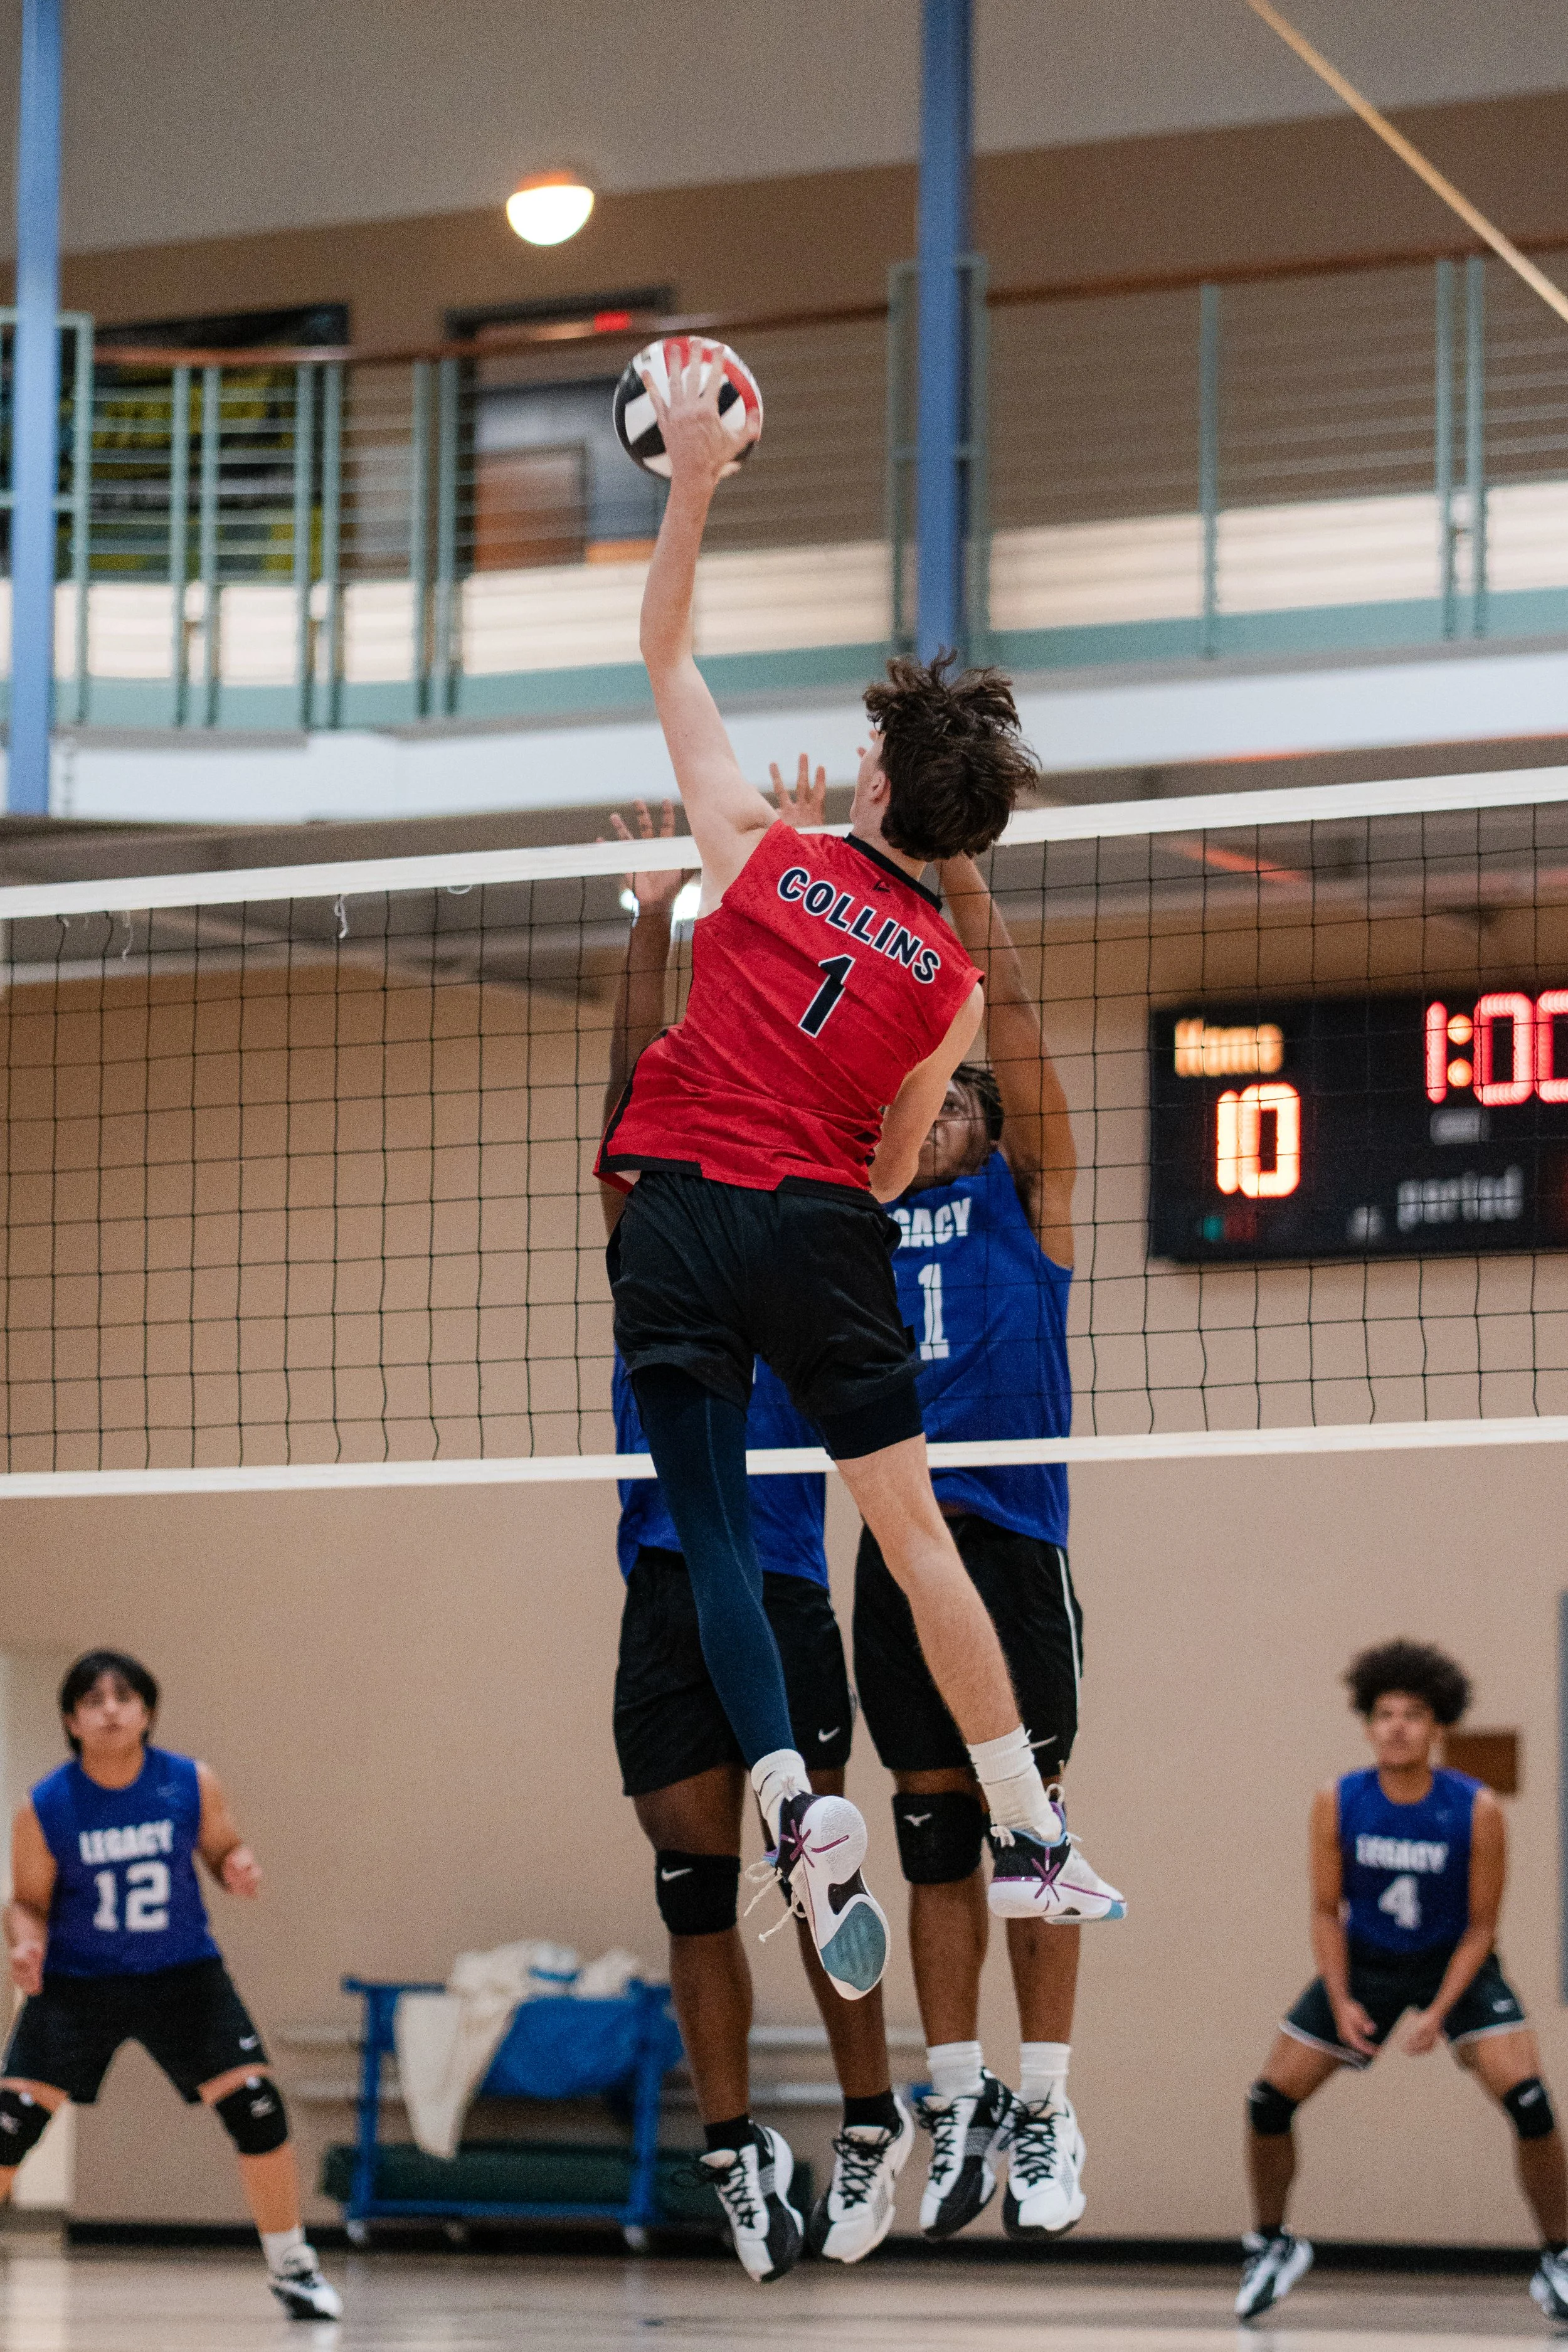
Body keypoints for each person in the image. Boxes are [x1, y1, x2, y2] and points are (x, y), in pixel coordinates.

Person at [595, 339, 1074, 2009]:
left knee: (713, 1527)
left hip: (671, 1212)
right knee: (911, 1527)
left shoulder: (768, 851)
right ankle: (1027, 1818)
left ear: (871, 775)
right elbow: (884, 1156)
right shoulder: (945, 978)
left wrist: (700, 484)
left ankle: (795, 1804)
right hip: (813, 1224)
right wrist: (831, 1213)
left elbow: (660, 650)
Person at [602, 790, 912, 2284]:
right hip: (662, 1592)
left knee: (818, 1876)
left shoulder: (794, 1233)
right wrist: (658, 916)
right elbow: (624, 1118)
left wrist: (774, 889)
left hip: (782, 1587)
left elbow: (818, 1065)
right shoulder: (656, 1230)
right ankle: (735, 2153)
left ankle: (869, 2115)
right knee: (687, 1887)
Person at [853, 853, 1121, 2249]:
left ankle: (1045, 2101)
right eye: (927, 1093)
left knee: (1034, 1830)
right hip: (897, 1560)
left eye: (962, 1091)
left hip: (1010, 1550)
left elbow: (1006, 1015)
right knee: (927, 1834)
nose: (945, 1103)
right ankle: (951, 2099)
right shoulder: (860, 1223)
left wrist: (956, 880)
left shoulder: (1030, 1203)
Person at [0, 1650, 341, 2323]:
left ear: (147, 1711)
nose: (109, 1710)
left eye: (123, 1697)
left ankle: (292, 2265)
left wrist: (235, 1864)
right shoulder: (45, 1806)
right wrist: (26, 1940)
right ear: (71, 1719)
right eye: (92, 1700)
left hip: (183, 1977)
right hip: (79, 1983)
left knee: (256, 2104)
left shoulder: (190, 1782)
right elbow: (28, 1900)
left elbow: (221, 1847)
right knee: (8, 2125)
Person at [1237, 1639, 1568, 2325]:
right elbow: (1326, 1910)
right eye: (1383, 1713)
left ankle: (1559, 2255)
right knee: (1268, 2101)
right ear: (1366, 1723)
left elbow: (1481, 1927)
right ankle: (1270, 2244)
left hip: (1455, 1961)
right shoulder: (1339, 1799)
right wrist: (1341, 2000)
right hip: (1365, 1963)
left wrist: (1440, 2013)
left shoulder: (1475, 1808)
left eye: (1412, 1715)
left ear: (1436, 1726)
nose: (1396, 1726)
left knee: (1531, 2103)